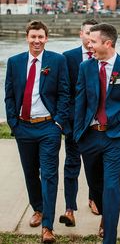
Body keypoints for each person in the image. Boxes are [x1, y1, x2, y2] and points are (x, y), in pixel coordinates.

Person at [73, 23, 120, 244]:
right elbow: (80, 101)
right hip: (89, 136)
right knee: (96, 186)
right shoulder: (86, 67)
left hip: (115, 137)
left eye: (93, 41)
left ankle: (109, 237)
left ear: (107, 43)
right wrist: (77, 134)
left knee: (112, 186)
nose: (88, 45)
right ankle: (106, 214)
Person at [5, 20, 70, 244]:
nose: (37, 41)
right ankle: (38, 209)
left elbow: (64, 93)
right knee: (30, 173)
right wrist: (14, 124)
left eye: (40, 37)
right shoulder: (14, 63)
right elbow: (9, 96)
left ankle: (48, 227)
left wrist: (59, 123)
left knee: (49, 175)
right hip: (23, 127)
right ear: (27, 37)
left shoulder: (57, 61)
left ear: (46, 38)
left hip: (48, 128)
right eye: (33, 36)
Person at [59, 19, 99, 227]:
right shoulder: (69, 58)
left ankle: (93, 198)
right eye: (87, 32)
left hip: (96, 125)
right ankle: (69, 209)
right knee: (72, 165)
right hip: (74, 125)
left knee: (93, 166)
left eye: (94, 33)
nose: (90, 37)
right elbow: (64, 92)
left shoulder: (103, 57)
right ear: (80, 34)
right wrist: (66, 123)